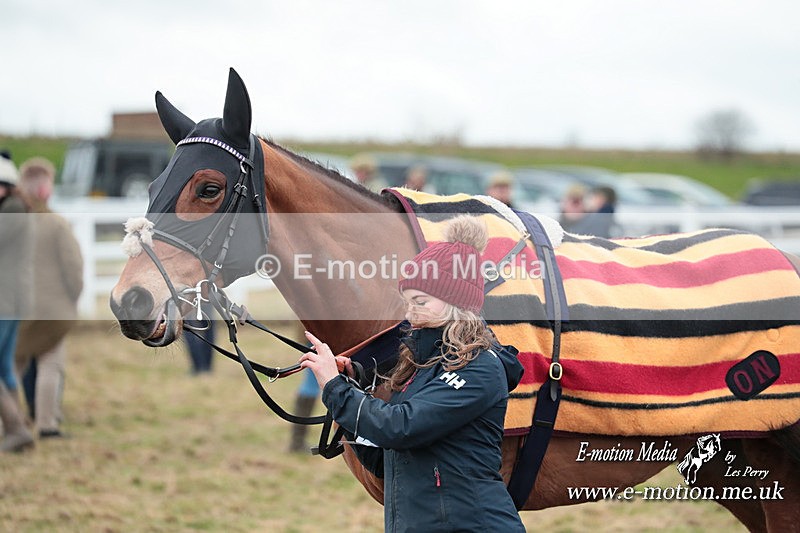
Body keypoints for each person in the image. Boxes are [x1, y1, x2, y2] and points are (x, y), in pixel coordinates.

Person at [299, 215, 525, 532]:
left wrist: (337, 389)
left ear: (455, 302)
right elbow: (385, 459)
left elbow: (400, 427)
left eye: (420, 301)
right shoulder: (420, 365)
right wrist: (352, 388)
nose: (409, 314)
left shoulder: (479, 365)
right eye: (407, 302)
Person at [13, 157, 83, 440]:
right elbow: (74, 268)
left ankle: (11, 422)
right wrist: (73, 296)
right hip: (51, 308)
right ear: (45, 188)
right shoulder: (55, 224)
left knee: (13, 365)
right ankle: (46, 424)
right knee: (50, 363)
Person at [0, 152, 34, 452]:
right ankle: (18, 424)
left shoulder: (11, 209)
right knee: (5, 367)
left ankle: (15, 429)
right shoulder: (15, 206)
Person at [183, 301, 215, 375]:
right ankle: (206, 367)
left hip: (189, 293)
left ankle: (199, 367)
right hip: (206, 293)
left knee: (188, 326)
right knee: (208, 325)